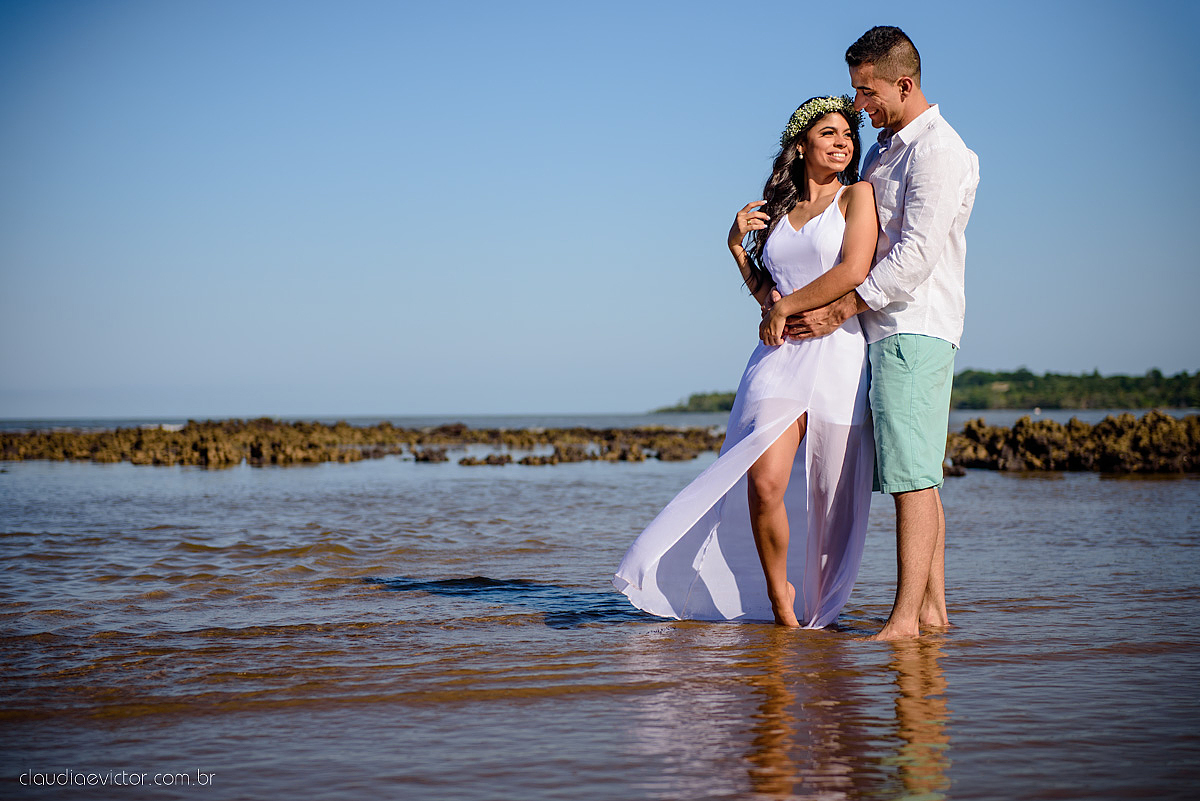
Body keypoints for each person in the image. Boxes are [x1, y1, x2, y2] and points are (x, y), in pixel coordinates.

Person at [613, 95, 878, 628]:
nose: (842, 142)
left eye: (848, 135)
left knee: (831, 498)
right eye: (828, 133)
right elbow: (768, 296)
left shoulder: (858, 196)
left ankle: (823, 606)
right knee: (764, 483)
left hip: (837, 356)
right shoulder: (779, 213)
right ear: (801, 145)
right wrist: (737, 248)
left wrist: (786, 305)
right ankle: (781, 601)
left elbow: (853, 270)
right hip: (778, 360)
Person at [783, 27, 980, 639]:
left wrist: (844, 306)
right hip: (883, 329)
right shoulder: (884, 150)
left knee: (910, 478)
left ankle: (902, 619)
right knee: (916, 471)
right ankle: (932, 611)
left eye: (866, 93)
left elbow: (916, 255)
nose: (859, 107)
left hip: (913, 327)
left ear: (904, 83)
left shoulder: (938, 151)